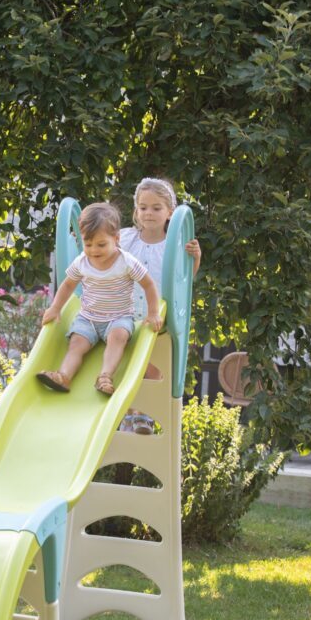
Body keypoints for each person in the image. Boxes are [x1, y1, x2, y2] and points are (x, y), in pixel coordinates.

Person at [36, 201, 163, 396]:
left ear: (116, 239)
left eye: (101, 244)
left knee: (118, 337)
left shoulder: (126, 262)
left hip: (118, 317)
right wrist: (55, 308)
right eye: (88, 244)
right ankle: (64, 376)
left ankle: (105, 376)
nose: (94, 250)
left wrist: (153, 312)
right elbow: (68, 285)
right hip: (88, 318)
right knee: (76, 344)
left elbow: (148, 284)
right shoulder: (82, 262)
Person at [120, 177, 201, 432]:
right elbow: (103, 253)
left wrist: (195, 258)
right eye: (143, 207)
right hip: (126, 313)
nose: (149, 213)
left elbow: (184, 279)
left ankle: (144, 415)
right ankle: (127, 414)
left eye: (156, 208)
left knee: (153, 367)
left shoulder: (174, 245)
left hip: (157, 317)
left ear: (170, 213)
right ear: (136, 211)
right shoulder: (126, 238)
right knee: (128, 367)